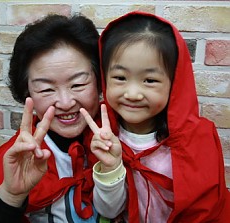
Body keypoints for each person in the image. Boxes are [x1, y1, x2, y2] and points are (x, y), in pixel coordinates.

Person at [80, 11, 230, 222]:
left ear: (174, 82)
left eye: (149, 80)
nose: (132, 94)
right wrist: (111, 167)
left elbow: (207, 211)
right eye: (120, 77)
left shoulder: (198, 138)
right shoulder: (102, 134)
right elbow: (109, 211)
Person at [0, 14, 103, 223]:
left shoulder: (122, 141)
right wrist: (11, 196)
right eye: (46, 89)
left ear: (99, 82)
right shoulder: (16, 160)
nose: (65, 102)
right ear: (28, 93)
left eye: (78, 84)